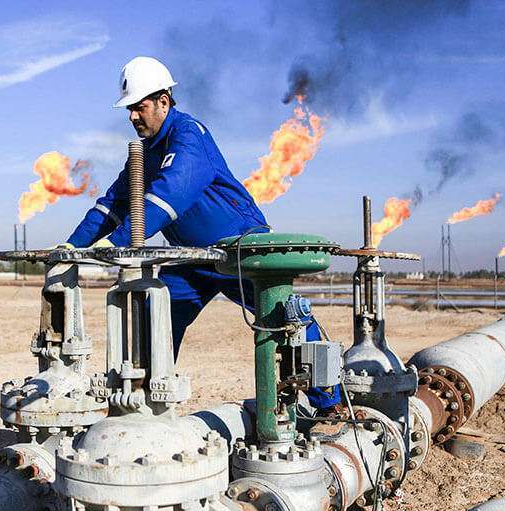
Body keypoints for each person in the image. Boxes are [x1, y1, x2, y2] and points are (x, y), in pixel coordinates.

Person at [64, 56, 337, 409]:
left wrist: (111, 246)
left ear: (164, 101)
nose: (132, 117)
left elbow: (169, 196)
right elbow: (112, 205)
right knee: (156, 320)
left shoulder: (189, 135)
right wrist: (70, 247)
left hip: (238, 249)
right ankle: (146, 405)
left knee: (285, 318)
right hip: (193, 259)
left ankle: (329, 403)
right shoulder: (145, 154)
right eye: (129, 109)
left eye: (139, 107)